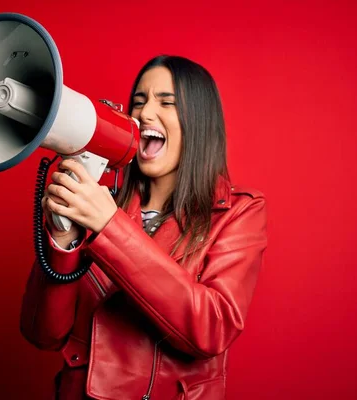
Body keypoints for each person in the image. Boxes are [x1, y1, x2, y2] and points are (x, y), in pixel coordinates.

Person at [19, 55, 268, 400]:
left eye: (166, 103)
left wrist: (109, 227)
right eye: (138, 101)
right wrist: (62, 242)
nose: (145, 113)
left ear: (199, 122)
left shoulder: (239, 211)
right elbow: (43, 334)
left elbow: (212, 328)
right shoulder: (101, 202)